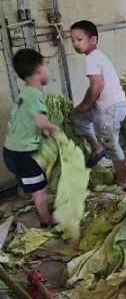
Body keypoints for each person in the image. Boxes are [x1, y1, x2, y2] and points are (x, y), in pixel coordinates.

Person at [70, 20, 126, 191]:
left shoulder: (91, 58)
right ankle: (97, 148)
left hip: (110, 108)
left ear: (93, 40)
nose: (75, 43)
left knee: (111, 144)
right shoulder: (96, 57)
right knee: (78, 117)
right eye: (73, 40)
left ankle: (124, 179)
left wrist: (85, 104)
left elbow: (96, 85)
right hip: (107, 106)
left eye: (79, 39)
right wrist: (83, 108)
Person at [3, 49, 60, 228]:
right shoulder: (35, 95)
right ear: (39, 69)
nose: (47, 70)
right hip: (24, 155)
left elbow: (30, 122)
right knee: (40, 190)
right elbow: (40, 121)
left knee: (33, 183)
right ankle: (46, 221)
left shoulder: (24, 93)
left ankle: (36, 201)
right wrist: (53, 128)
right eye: (45, 65)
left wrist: (43, 133)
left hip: (11, 152)